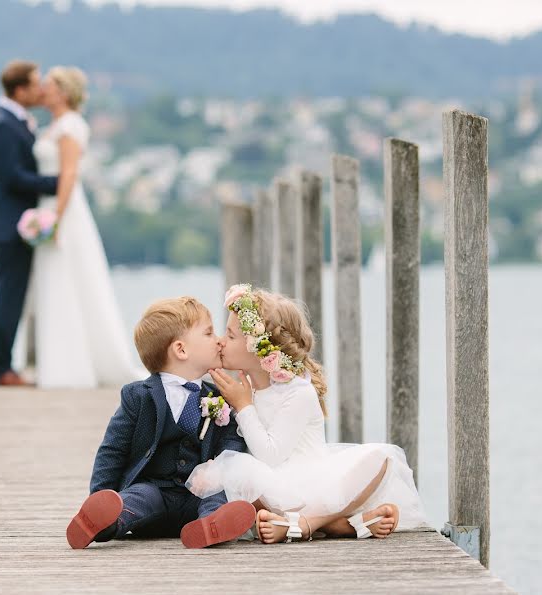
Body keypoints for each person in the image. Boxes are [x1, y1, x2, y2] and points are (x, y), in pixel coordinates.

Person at [187, 284, 428, 543]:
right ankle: (339, 525)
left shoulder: (297, 392)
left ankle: (307, 525)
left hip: (309, 482)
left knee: (381, 458)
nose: (222, 341)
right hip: (275, 485)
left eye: (231, 336)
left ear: (259, 349)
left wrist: (243, 407)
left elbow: (270, 456)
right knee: (233, 474)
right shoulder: (250, 388)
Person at [65, 297, 255, 549]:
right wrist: (101, 496)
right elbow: (113, 448)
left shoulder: (220, 396)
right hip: (154, 493)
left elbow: (233, 438)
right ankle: (106, 522)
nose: (219, 340)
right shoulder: (138, 396)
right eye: (209, 333)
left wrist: (216, 469)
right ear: (181, 350)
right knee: (137, 498)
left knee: (216, 495)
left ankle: (210, 526)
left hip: (195, 496)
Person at [29, 66, 141, 388]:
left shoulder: (70, 126)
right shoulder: (55, 125)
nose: (43, 91)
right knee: (55, 281)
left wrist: (55, 217)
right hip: (49, 206)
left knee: (70, 278)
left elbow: (68, 175)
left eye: (49, 86)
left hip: (62, 209)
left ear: (63, 92)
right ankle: (58, 361)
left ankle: (73, 365)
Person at [0, 60, 57, 386]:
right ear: (20, 90)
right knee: (8, 297)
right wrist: (57, 183)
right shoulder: (3, 125)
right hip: (10, 225)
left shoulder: (17, 121)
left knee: (14, 296)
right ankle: (0, 368)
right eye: (36, 83)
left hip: (21, 224)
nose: (40, 90)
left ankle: (4, 365)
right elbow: (10, 177)